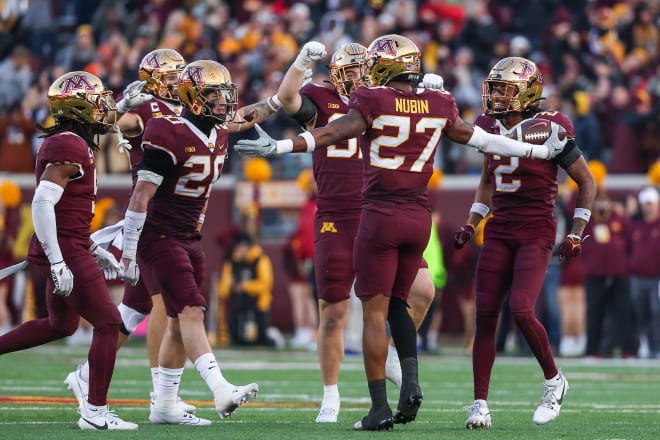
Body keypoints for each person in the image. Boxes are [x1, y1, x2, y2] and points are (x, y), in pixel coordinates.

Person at [235, 35, 568, 431]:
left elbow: (331, 134)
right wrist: (535, 151)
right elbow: (478, 140)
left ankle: (379, 408)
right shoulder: (438, 102)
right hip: (415, 216)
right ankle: (408, 380)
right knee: (396, 303)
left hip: (378, 213)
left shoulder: (372, 101)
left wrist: (278, 148)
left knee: (377, 312)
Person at [270, 40, 441, 424]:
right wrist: (300, 62)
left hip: (379, 210)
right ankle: (331, 394)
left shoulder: (383, 99)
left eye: (362, 69)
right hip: (336, 214)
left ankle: (389, 353)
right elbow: (285, 97)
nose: (357, 77)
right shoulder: (323, 99)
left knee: (421, 290)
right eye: (349, 71)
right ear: (335, 75)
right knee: (334, 311)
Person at [119, 59, 281, 425]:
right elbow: (141, 195)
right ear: (193, 97)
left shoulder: (219, 131)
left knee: (179, 320)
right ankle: (220, 388)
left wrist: (277, 102)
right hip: (159, 235)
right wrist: (129, 253)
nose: (223, 102)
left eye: (225, 94)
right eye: (213, 94)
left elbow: (242, 118)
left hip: (190, 235)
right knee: (191, 310)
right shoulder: (165, 129)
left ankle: (163, 406)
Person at [452, 56, 596, 429]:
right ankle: (479, 404)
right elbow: (488, 179)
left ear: (527, 92)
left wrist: (577, 231)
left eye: (505, 89)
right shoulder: (487, 124)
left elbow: (587, 181)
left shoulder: (552, 125)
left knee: (520, 309)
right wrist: (472, 223)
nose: (497, 96)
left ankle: (554, 381)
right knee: (485, 315)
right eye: (495, 88)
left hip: (536, 228)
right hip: (500, 228)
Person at [63, 48, 200, 418]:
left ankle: (86, 374)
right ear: (155, 80)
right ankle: (162, 396)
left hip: (170, 215)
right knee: (161, 304)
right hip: (151, 217)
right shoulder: (145, 108)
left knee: (136, 307)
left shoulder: (183, 109)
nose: (178, 83)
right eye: (171, 77)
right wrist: (125, 103)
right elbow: (105, 125)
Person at [0, 71, 137, 430]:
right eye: (97, 102)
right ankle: (95, 412)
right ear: (78, 108)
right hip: (64, 250)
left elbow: (64, 212)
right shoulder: (69, 145)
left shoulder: (75, 141)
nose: (105, 108)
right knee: (109, 324)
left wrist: (93, 246)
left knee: (61, 324)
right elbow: (43, 205)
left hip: (70, 246)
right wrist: (60, 261)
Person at [217, 232, 277, 347]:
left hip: (256, 298)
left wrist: (245, 286)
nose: (242, 250)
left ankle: (261, 337)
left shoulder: (260, 259)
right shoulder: (232, 262)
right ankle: (236, 337)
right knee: (235, 306)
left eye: (244, 247)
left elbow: (266, 284)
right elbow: (223, 289)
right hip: (239, 300)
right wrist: (230, 286)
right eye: (239, 247)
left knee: (262, 303)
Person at [629, 186, 660, 359]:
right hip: (638, 277)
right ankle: (645, 344)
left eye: (650, 203)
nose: (648, 207)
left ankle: (657, 347)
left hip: (656, 278)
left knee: (656, 312)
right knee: (640, 312)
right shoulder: (636, 226)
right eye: (645, 203)